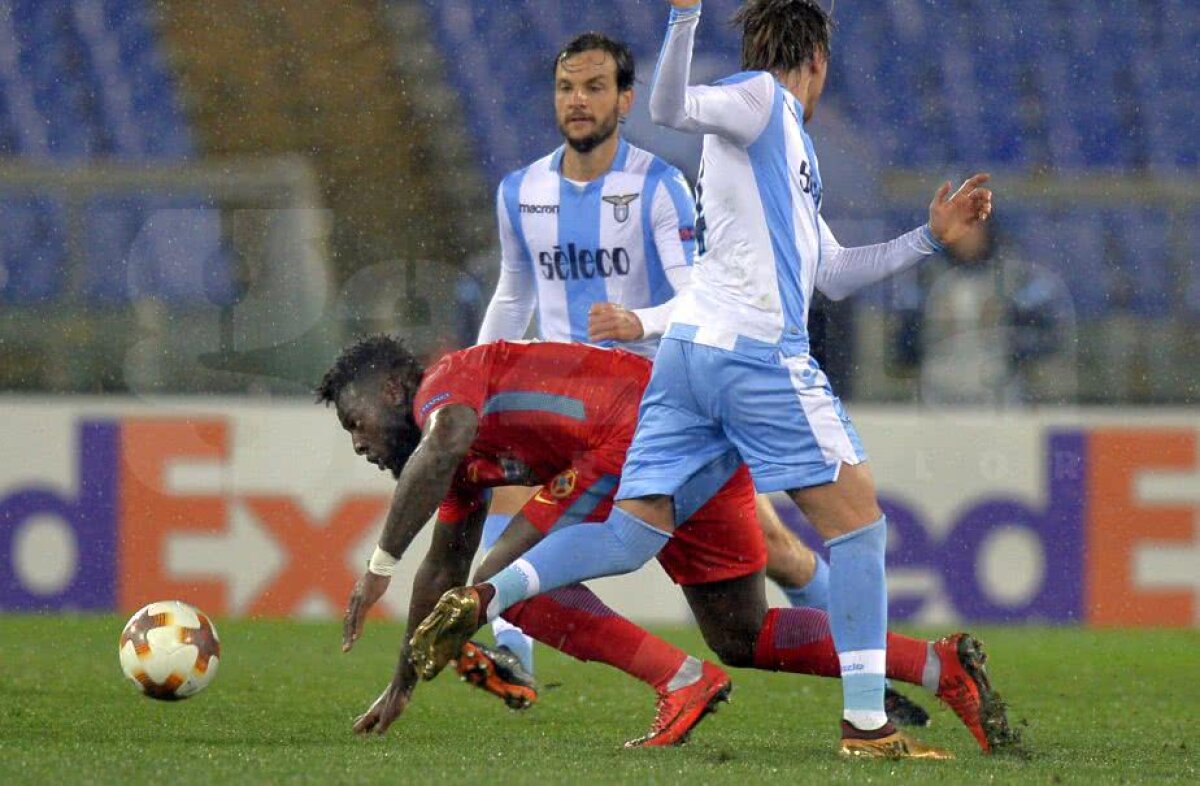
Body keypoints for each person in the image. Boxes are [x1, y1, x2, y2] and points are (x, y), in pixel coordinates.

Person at [412, 0, 1002, 760]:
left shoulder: (785, 149)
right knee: (857, 529)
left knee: (630, 533)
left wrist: (928, 237)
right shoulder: (763, 100)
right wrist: (684, 17)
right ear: (817, 60)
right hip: (755, 354)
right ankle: (867, 726)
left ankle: (491, 594)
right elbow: (671, 104)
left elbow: (833, 272)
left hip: (686, 360)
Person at [325, 336, 1013, 753]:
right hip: (682, 431)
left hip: (630, 432)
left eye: (358, 421)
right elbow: (442, 565)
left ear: (394, 389)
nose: (359, 444)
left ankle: (680, 682)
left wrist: (378, 566)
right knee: (741, 632)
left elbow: (442, 445)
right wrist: (403, 684)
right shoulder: (458, 467)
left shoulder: (445, 391)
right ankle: (936, 667)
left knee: (507, 582)